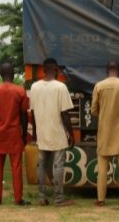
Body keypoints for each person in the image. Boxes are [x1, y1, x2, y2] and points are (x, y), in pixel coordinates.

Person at [29, 58, 75, 207]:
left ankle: (42, 198)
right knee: (58, 166)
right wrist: (71, 134)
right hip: (57, 133)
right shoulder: (60, 87)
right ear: (56, 70)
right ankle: (59, 199)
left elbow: (33, 113)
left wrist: (35, 133)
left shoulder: (34, 87)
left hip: (42, 133)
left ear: (43, 70)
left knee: (41, 165)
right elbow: (65, 114)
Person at [0, 62, 29, 206]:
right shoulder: (20, 91)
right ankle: (18, 198)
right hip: (14, 133)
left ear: (1, 75)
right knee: (16, 167)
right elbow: (24, 115)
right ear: (14, 74)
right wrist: (23, 135)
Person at [91, 61, 119, 206]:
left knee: (102, 167)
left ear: (106, 70)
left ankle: (100, 199)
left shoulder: (99, 86)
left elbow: (93, 110)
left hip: (104, 131)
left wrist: (104, 115)